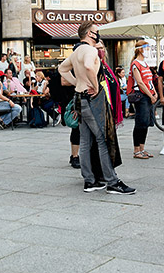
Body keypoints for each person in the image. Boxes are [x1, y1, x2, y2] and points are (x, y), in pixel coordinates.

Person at [59, 21, 135, 195]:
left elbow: (61, 69)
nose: (98, 34)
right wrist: (96, 85)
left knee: (85, 141)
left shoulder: (76, 50)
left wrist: (78, 82)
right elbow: (87, 66)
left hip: (80, 98)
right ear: (88, 34)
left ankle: (90, 181)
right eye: (96, 31)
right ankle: (112, 182)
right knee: (103, 139)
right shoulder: (90, 50)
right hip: (92, 99)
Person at [129, 40, 157, 159]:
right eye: (147, 48)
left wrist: (154, 92)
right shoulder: (136, 64)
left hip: (148, 94)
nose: (148, 50)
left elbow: (149, 80)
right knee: (140, 122)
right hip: (141, 96)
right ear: (141, 49)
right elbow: (139, 82)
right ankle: (136, 150)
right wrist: (150, 95)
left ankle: (142, 147)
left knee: (146, 122)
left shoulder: (144, 63)